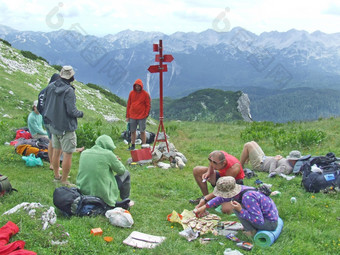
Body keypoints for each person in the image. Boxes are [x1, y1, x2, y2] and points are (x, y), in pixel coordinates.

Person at [195, 176, 279, 237]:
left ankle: (251, 231)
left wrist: (241, 210)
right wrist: (205, 206)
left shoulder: (248, 197)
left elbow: (258, 220)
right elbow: (221, 199)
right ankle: (249, 228)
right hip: (267, 218)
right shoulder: (241, 190)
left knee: (236, 207)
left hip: (270, 224)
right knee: (235, 205)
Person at [43, 65, 83, 186]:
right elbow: (71, 111)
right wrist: (80, 114)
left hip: (53, 125)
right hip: (66, 127)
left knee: (56, 151)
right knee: (68, 153)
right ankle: (64, 180)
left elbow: (45, 102)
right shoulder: (69, 90)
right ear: (71, 76)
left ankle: (56, 176)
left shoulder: (50, 87)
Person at [76, 135, 131, 207]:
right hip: (103, 194)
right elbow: (121, 170)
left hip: (83, 192)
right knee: (126, 173)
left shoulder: (84, 153)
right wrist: (115, 160)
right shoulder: (108, 154)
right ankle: (125, 200)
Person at [37, 73, 60, 169]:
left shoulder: (42, 92)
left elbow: (39, 107)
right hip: (54, 120)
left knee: (51, 141)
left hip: (45, 120)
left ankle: (51, 163)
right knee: (58, 143)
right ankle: (55, 165)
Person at [126, 78, 151, 151]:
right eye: (136, 86)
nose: (137, 87)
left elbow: (148, 105)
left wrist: (146, 114)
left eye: (138, 86)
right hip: (132, 115)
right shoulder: (131, 93)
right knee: (132, 131)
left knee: (142, 131)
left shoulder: (145, 94)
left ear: (141, 86)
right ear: (134, 86)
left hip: (142, 116)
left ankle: (144, 146)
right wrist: (127, 116)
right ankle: (133, 145)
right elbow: (128, 104)